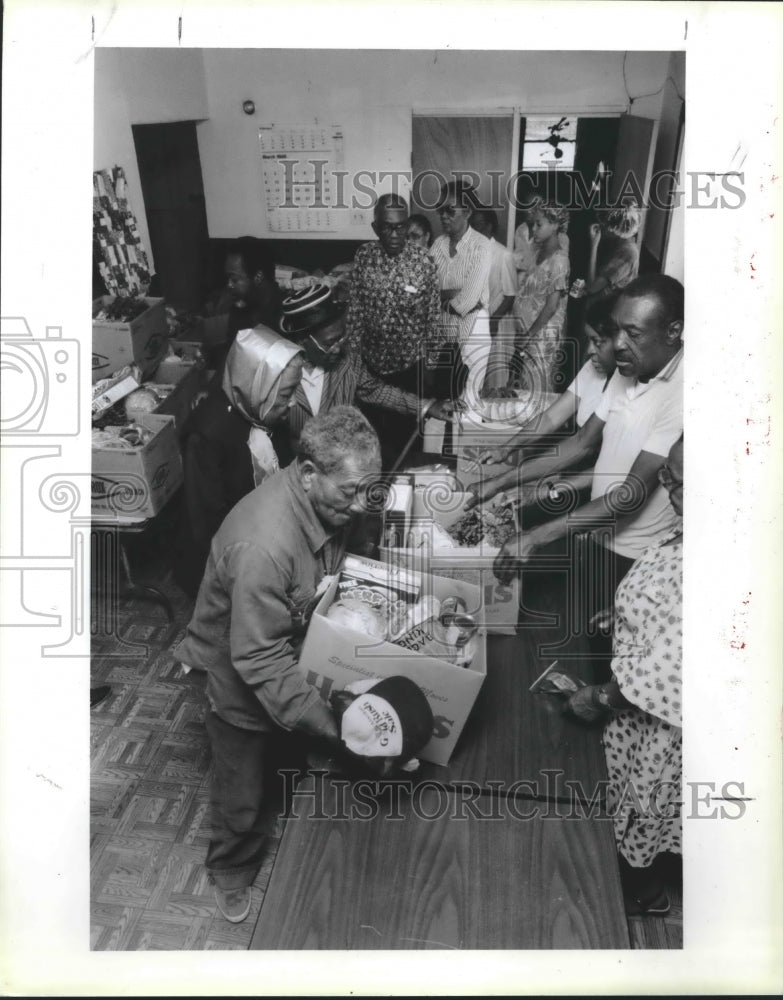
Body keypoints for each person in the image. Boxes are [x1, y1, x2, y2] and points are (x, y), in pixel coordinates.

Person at [173, 406, 382, 923]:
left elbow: (348, 553)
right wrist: (332, 728)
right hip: (240, 671)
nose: (362, 505)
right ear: (308, 474)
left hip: (292, 642)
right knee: (242, 791)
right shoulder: (264, 545)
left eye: (370, 490)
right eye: (352, 491)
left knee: (288, 748)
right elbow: (258, 658)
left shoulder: (331, 501)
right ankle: (231, 868)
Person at [474, 274, 683, 626]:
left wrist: (536, 536)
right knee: (586, 635)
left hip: (634, 555)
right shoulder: (631, 368)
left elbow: (630, 495)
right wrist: (500, 482)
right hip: (595, 532)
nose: (617, 344)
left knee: (617, 660)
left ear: (673, 331)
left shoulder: (684, 392)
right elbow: (580, 442)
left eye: (632, 333)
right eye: (615, 331)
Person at [565, 434, 683, 915]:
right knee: (626, 803)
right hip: (640, 710)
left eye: (676, 479)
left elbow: (670, 665)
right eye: (666, 472)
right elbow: (667, 602)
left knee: (644, 807)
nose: (664, 482)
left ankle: (644, 895)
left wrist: (601, 699)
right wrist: (625, 615)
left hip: (658, 724)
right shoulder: (687, 524)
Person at [173, 326, 304, 595]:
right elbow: (208, 523)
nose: (291, 404)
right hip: (222, 563)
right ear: (258, 386)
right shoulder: (206, 434)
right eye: (286, 393)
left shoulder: (260, 410)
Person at [275, 282, 455, 466]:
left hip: (344, 465)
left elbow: (376, 390)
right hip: (299, 468)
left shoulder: (348, 361)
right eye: (329, 343)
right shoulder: (279, 374)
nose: (338, 349)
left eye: (341, 338)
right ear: (302, 340)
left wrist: (425, 406)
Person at [344, 193, 444, 464]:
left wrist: (431, 365)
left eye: (400, 226)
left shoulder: (423, 262)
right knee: (371, 442)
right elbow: (355, 310)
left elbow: (433, 317)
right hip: (371, 366)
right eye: (387, 227)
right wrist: (352, 361)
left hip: (410, 368)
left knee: (408, 445)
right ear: (376, 227)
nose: (395, 233)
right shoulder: (364, 256)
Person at [476, 293, 624, 468]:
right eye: (590, 341)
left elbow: (585, 446)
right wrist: (505, 448)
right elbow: (551, 418)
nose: (590, 350)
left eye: (598, 342)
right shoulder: (591, 369)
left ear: (620, 342)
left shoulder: (626, 386)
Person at [430, 180, 493, 409]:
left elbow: (466, 303)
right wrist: (450, 294)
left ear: (467, 212)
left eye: (450, 210)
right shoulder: (437, 245)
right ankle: (439, 446)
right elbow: (425, 290)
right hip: (443, 336)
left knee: (469, 400)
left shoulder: (481, 246)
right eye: (440, 209)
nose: (443, 215)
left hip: (474, 329)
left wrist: (440, 297)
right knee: (442, 401)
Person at [510, 202, 570, 395]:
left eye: (539, 224)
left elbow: (552, 306)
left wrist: (529, 335)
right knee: (520, 386)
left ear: (554, 225)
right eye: (532, 224)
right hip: (526, 332)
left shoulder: (560, 260)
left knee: (536, 389)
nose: (533, 229)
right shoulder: (537, 252)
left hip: (541, 336)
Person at [207, 238, 283, 373]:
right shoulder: (239, 308)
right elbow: (225, 360)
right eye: (228, 279)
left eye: (235, 279)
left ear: (258, 276)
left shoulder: (283, 315)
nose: (229, 285)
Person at [583, 204, 641, 308]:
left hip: (611, 309)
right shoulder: (618, 244)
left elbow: (591, 288)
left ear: (614, 228)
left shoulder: (627, 253)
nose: (600, 229)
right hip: (604, 305)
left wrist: (594, 245)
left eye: (603, 225)